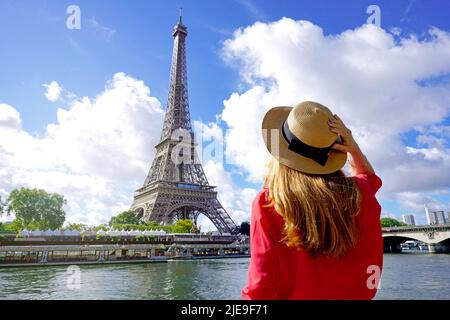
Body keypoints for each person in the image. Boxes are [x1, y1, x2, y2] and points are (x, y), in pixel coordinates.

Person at [242, 101, 383, 300]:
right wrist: (353, 149)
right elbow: (369, 177)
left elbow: (261, 290)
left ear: (280, 153)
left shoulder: (269, 202)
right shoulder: (360, 193)